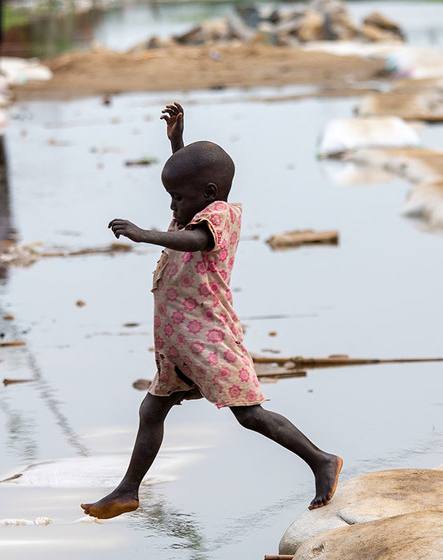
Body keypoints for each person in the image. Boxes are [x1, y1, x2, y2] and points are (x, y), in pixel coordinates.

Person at [83, 103, 342, 520]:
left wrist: (143, 235)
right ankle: (128, 491)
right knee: (151, 410)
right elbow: (190, 188)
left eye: (178, 198)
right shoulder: (198, 206)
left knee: (250, 415)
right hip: (179, 344)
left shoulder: (219, 217)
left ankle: (320, 460)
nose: (173, 206)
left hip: (208, 338)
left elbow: (197, 242)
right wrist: (177, 143)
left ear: (207, 194)